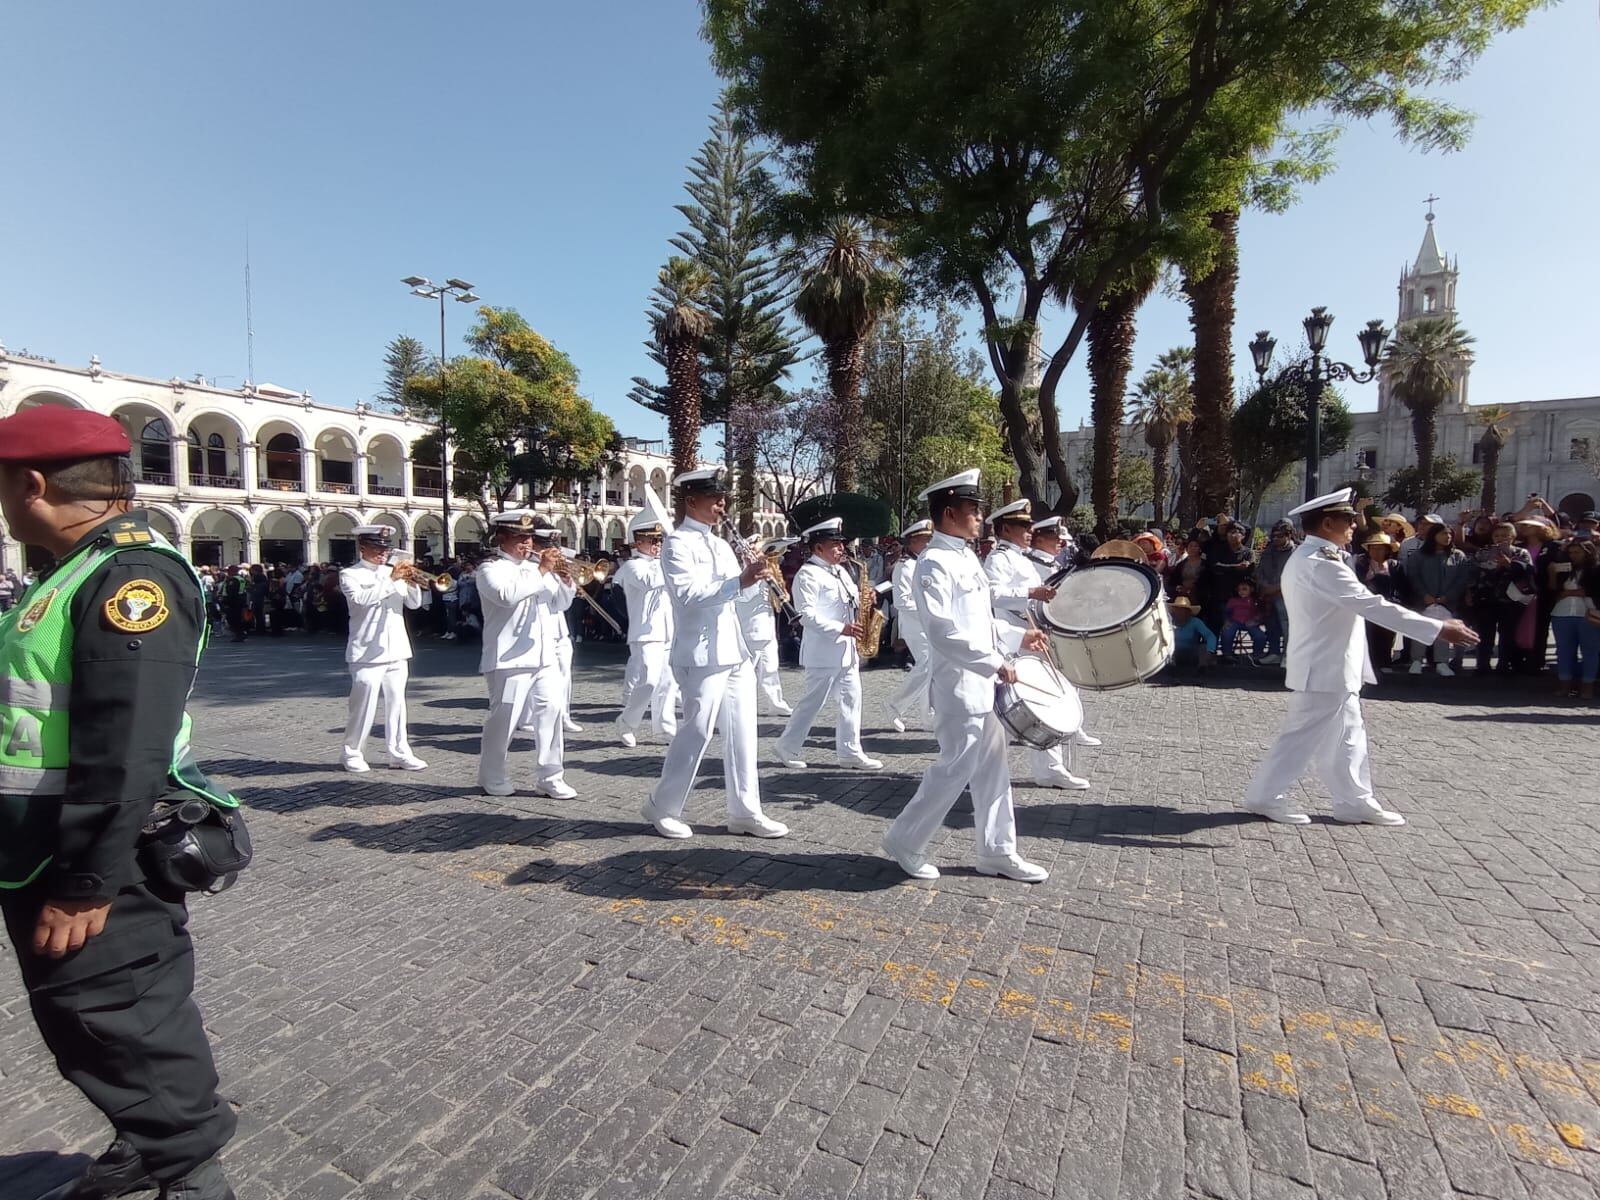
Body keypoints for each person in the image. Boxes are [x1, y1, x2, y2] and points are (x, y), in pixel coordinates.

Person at [0, 406, 239, 1200]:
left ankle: (188, 1168)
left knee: (121, 1014)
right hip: (41, 845)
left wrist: (86, 882)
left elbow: (123, 743)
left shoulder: (131, 579)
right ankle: (147, 1139)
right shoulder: (73, 568)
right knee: (84, 1021)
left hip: (95, 857)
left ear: (31, 484)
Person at [1243, 488, 1478, 826]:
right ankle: (1265, 796)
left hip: (1332, 666)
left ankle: (1354, 800)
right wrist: (1436, 628)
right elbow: (1371, 605)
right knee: (1302, 737)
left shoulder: (1319, 557)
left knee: (1347, 737)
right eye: (1348, 520)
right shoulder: (1319, 563)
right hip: (1323, 667)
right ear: (1327, 523)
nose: (1355, 526)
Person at [881, 470, 1052, 882]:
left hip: (984, 682)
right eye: (973, 509)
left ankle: (997, 851)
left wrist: (1016, 635)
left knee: (993, 771)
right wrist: (993, 663)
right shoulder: (933, 563)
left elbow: (980, 622)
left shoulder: (965, 556)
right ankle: (904, 839)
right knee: (953, 769)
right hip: (960, 686)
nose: (980, 516)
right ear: (949, 512)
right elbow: (943, 630)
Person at [642, 468, 787, 840]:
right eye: (715, 498)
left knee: (743, 733)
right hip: (700, 653)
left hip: (733, 650)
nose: (723, 505)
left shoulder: (722, 544)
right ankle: (663, 805)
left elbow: (735, 596)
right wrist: (740, 580)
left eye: (724, 498)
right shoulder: (677, 544)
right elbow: (689, 597)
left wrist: (760, 579)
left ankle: (745, 812)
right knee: (698, 730)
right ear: (691, 501)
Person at [983, 499, 1087, 789]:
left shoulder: (1020, 557)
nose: (1030, 530)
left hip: (1030, 634)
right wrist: (1032, 591)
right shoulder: (998, 558)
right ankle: (983, 767)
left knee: (1040, 701)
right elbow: (992, 594)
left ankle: (1049, 769)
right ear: (1005, 529)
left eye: (1030, 525)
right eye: (1023, 526)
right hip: (1011, 639)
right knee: (1006, 709)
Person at [476, 511, 577, 800]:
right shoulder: (490, 569)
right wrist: (542, 571)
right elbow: (506, 596)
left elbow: (559, 604)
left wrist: (566, 581)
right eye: (520, 538)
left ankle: (551, 776)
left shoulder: (537, 569)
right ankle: (491, 773)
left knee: (552, 712)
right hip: (509, 659)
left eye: (529, 537)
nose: (527, 543)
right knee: (504, 719)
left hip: (543, 656)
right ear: (502, 539)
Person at [775, 518, 883, 771]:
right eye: (834, 545)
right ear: (818, 548)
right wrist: (841, 628)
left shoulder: (840, 571)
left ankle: (850, 751)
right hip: (823, 652)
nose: (841, 549)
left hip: (846, 651)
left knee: (852, 700)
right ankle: (786, 746)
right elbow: (806, 615)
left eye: (840, 544)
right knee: (813, 703)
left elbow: (852, 600)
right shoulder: (808, 574)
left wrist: (868, 596)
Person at [337, 525, 427, 773]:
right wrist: (392, 579)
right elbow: (360, 601)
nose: (383, 554)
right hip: (366, 650)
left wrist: (412, 582)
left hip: (396, 648)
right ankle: (352, 752)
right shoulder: (350, 575)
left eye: (385, 549)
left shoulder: (393, 572)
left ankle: (399, 752)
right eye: (377, 548)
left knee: (398, 704)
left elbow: (415, 604)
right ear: (362, 548)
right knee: (363, 704)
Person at [1029, 516, 1100, 749]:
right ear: (1039, 539)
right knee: (1049, 688)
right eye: (1054, 537)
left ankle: (1073, 726)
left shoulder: (1053, 564)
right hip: (1036, 632)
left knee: (1070, 682)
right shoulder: (1030, 563)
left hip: (1057, 630)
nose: (1061, 542)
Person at [612, 510, 680, 747]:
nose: (657, 545)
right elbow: (650, 582)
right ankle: (626, 722)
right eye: (653, 541)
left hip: (667, 631)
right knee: (649, 681)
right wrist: (669, 561)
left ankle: (664, 728)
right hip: (645, 633)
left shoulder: (661, 565)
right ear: (638, 542)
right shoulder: (633, 566)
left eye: (660, 541)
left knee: (668, 683)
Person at [733, 535, 795, 717]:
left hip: (766, 627)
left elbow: (777, 599)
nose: (762, 555)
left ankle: (776, 703)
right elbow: (744, 596)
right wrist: (758, 578)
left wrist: (779, 588)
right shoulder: (741, 573)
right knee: (745, 673)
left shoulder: (768, 570)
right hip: (750, 629)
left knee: (771, 668)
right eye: (758, 551)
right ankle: (739, 706)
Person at [884, 519, 935, 732]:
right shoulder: (904, 567)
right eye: (925, 540)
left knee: (930, 668)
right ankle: (893, 705)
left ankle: (928, 716)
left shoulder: (925, 563)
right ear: (913, 542)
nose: (929, 543)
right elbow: (902, 601)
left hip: (929, 624)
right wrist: (930, 609)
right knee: (925, 666)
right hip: (914, 624)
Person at [1466, 522, 1534, 674]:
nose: (1500, 539)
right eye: (1496, 535)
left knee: (1507, 634)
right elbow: (1473, 574)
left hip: (1510, 601)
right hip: (1485, 599)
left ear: (1512, 537)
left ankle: (1503, 664)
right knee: (1484, 634)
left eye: (1504, 535)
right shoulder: (1483, 552)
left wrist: (1510, 565)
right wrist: (1469, 592)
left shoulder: (1521, 553)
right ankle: (1482, 665)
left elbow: (1528, 573)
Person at [1403, 523, 1470, 675]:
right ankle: (1416, 661)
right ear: (1433, 535)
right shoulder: (1418, 555)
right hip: (1423, 601)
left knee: (1444, 629)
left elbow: (1461, 579)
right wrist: (1425, 595)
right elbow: (1414, 577)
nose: (1447, 537)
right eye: (1443, 534)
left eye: (1450, 534)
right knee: (1421, 629)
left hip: (1448, 603)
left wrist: (1447, 597)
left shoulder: (1458, 556)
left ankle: (1442, 662)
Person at [1548, 531, 1600, 699]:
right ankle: (1565, 686)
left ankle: (1587, 687)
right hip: (1562, 614)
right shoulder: (1565, 568)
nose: (1573, 556)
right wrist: (1552, 574)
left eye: (1577, 552)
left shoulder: (1596, 569)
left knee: (1590, 651)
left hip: (1588, 613)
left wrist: (1571, 593)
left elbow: (1592, 591)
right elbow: (1554, 591)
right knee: (1564, 651)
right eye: (1571, 552)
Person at [1353, 531, 1403, 671]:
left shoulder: (1395, 566)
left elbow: (1401, 586)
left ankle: (1385, 661)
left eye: (1380, 548)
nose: (1376, 551)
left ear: (1387, 550)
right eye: (1373, 548)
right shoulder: (1361, 564)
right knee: (1368, 634)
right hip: (1368, 606)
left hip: (1388, 604)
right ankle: (1368, 663)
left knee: (1386, 635)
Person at [1255, 521, 1295, 665]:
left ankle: (1287, 655)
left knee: (1288, 627)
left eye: (1280, 536)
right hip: (1268, 595)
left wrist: (1277, 587)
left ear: (1289, 535)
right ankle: (1274, 653)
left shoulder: (1295, 553)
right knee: (1271, 625)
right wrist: (1265, 587)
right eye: (1274, 536)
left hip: (1286, 596)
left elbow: (1295, 576)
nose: (1276, 539)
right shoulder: (1268, 551)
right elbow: (1259, 572)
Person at [1219, 578, 1267, 661]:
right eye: (1239, 590)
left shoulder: (1255, 600)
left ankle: (1257, 654)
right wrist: (1226, 621)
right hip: (1235, 621)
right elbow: (1227, 612)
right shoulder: (1233, 600)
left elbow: (1260, 613)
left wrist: (1256, 620)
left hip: (1250, 622)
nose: (1241, 591)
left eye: (1244, 589)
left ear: (1251, 589)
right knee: (1227, 632)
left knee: (1260, 635)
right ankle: (1227, 654)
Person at [1167, 595, 1218, 671]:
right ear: (1174, 611)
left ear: (1189, 612)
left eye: (1183, 610)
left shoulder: (1195, 622)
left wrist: (1210, 650)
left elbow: (1210, 636)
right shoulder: (1168, 621)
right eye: (1178, 609)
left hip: (1192, 652)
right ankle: (1171, 668)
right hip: (1173, 652)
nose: (1180, 612)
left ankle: (1202, 669)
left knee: (1203, 647)